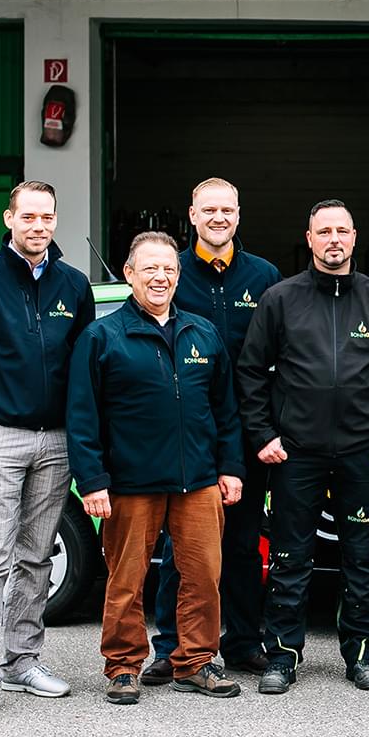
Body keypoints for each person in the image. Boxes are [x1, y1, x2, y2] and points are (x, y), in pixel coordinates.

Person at [236, 199, 369, 694]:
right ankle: (282, 657)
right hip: (295, 454)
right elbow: (250, 372)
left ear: (354, 237)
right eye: (324, 232)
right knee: (289, 559)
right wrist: (263, 435)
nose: (334, 239)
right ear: (310, 239)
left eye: (342, 230)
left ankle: (360, 655)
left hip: (364, 454)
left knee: (360, 560)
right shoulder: (280, 299)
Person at [66, 231, 246, 705]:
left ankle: (196, 662)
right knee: (126, 581)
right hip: (131, 484)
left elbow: (225, 409)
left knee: (203, 577)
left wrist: (230, 467)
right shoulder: (101, 337)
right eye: (149, 268)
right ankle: (123, 667)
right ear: (129, 274)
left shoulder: (202, 333)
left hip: (198, 481)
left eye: (168, 268)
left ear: (179, 275)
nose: (160, 277)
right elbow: (82, 416)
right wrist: (92, 481)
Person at [0, 180, 95, 720]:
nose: (38, 226)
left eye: (46, 217)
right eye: (28, 216)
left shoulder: (73, 285)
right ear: (9, 219)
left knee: (37, 555)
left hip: (56, 441)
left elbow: (84, 367)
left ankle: (22, 661)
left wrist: (78, 431)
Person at [142, 178, 280, 687]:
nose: (218, 218)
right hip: (189, 434)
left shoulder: (264, 276)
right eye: (209, 210)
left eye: (227, 209)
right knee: (181, 549)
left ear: (238, 215)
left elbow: (280, 353)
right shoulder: (174, 272)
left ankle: (243, 641)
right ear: (193, 215)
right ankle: (171, 647)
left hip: (249, 430)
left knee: (244, 545)